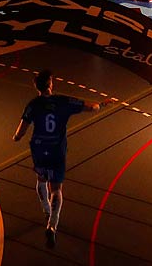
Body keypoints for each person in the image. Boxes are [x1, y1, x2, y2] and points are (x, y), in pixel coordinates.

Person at [13, 70, 115, 246]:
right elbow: (91, 107)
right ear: (50, 84)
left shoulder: (33, 105)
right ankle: (52, 225)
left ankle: (45, 208)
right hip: (56, 150)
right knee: (56, 188)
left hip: (39, 148)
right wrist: (103, 104)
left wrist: (16, 137)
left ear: (36, 86)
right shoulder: (63, 101)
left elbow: (20, 131)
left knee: (41, 178)